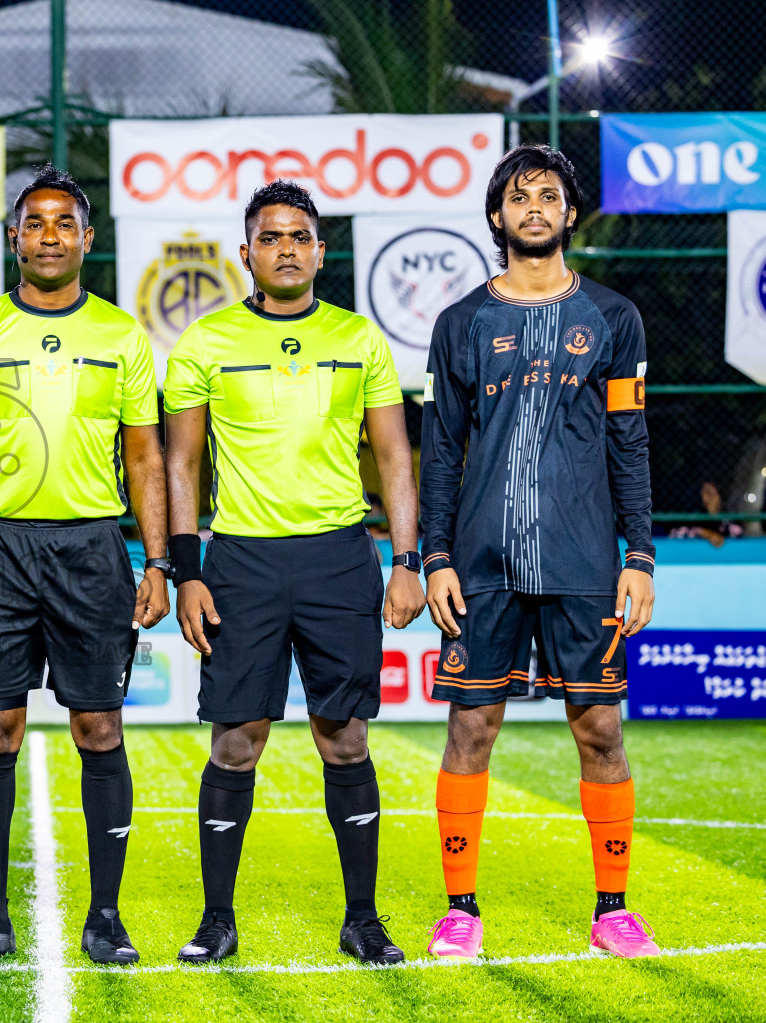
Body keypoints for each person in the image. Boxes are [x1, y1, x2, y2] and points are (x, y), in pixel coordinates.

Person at [0, 165, 170, 966]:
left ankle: (107, 917)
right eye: (35, 223)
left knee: (98, 726)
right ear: (13, 237)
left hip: (92, 550)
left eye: (65, 224)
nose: (49, 236)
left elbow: (146, 459)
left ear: (88, 240)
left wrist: (156, 560)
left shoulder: (122, 335)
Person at [163, 179, 425, 965]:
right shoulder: (204, 343)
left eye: (300, 237)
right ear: (245, 253)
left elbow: (394, 457)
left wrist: (406, 559)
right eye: (270, 237)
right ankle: (216, 919)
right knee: (235, 743)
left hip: (340, 559)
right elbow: (180, 463)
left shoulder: (361, 339)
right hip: (240, 560)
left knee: (344, 739)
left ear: (320, 251)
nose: (286, 248)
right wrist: (188, 571)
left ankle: (363, 918)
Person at [419, 145, 658, 959]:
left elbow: (630, 444)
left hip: (585, 563)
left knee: (600, 730)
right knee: (471, 729)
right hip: (481, 567)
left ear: (568, 214)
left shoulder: (615, 320)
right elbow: (440, 453)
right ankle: (460, 910)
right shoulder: (461, 325)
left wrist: (641, 557)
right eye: (519, 197)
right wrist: (435, 556)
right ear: (497, 216)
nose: (534, 207)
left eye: (549, 196)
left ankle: (614, 911)